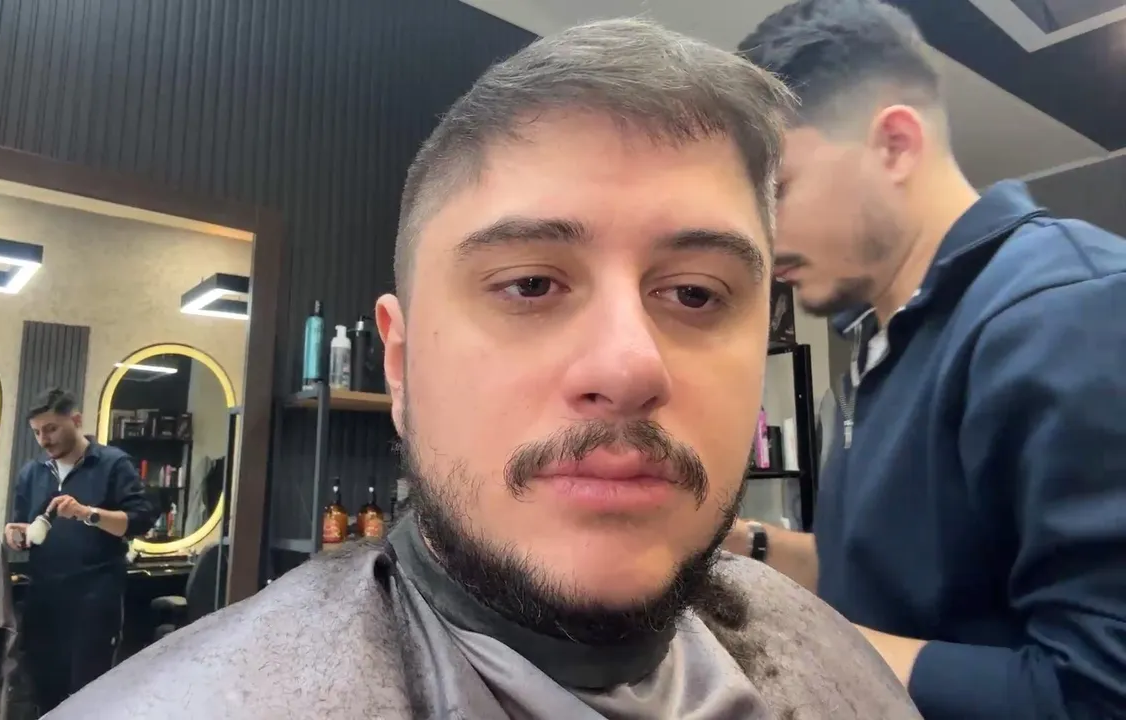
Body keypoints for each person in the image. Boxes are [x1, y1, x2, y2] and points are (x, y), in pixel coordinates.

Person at [45, 19, 918, 719]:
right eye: (531, 284)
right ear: (400, 364)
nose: (627, 366)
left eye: (694, 293)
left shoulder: (833, 663)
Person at [727, 1, 1126, 718]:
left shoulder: (1069, 311)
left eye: (778, 191)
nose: (762, 236)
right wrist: (742, 548)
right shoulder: (880, 344)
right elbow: (889, 576)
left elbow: (1099, 691)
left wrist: (805, 646)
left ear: (895, 145)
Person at [4, 388, 158, 714]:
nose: (44, 440)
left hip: (94, 598)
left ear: (75, 420)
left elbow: (139, 521)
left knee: (88, 697)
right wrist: (16, 534)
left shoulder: (113, 464)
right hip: (44, 597)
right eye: (37, 432)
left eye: (51, 429)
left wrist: (88, 513)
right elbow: (25, 525)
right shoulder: (32, 472)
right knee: (44, 695)